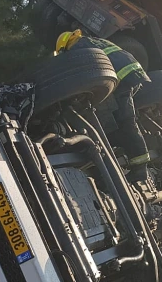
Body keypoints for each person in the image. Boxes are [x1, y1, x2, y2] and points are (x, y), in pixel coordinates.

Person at [55, 30, 152, 185]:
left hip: (120, 77)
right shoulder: (93, 41)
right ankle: (129, 153)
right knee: (124, 120)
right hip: (132, 72)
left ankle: (140, 168)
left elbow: (86, 75)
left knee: (126, 121)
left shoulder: (77, 48)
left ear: (65, 47)